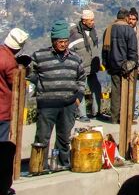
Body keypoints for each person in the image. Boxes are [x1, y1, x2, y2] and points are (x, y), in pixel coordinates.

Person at [29, 20, 86, 169]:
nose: (63, 44)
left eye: (66, 41)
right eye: (60, 41)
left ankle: (62, 164)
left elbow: (81, 79)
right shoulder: (40, 56)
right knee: (42, 137)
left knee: (64, 137)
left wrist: (78, 99)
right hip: (47, 105)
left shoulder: (75, 58)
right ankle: (38, 166)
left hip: (68, 105)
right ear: (53, 41)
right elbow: (29, 73)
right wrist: (40, 85)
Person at [1, 28, 29, 195]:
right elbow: (16, 84)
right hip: (3, 111)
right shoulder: (8, 62)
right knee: (3, 150)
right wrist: (22, 69)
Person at [102, 8, 138, 124]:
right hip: (126, 67)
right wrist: (130, 65)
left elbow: (105, 50)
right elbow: (133, 52)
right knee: (128, 94)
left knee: (115, 93)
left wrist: (107, 64)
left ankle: (114, 118)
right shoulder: (129, 31)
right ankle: (126, 119)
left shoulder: (108, 30)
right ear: (126, 18)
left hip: (113, 66)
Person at [68, 10, 102, 122]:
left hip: (92, 67)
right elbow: (70, 50)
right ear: (84, 21)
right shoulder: (74, 33)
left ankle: (96, 112)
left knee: (96, 88)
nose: (93, 22)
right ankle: (82, 114)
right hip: (80, 68)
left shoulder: (92, 31)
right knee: (80, 91)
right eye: (91, 20)